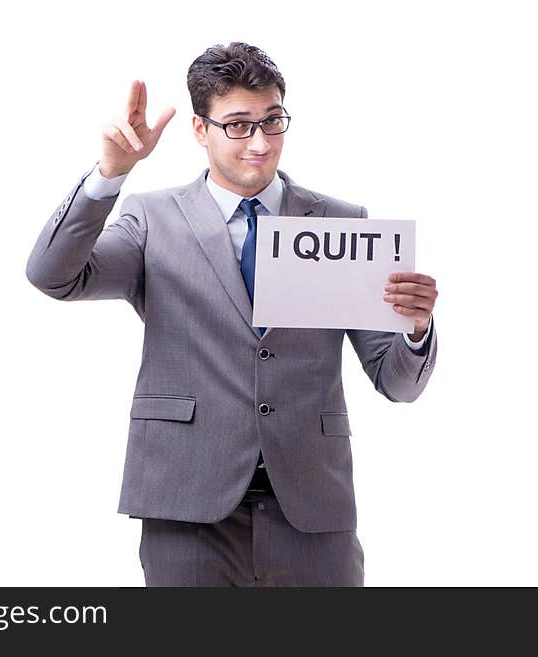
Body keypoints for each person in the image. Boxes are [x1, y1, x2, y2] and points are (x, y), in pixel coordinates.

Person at [26, 42, 438, 586]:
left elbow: (397, 384)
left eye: (273, 120)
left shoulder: (343, 225)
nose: (261, 142)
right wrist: (108, 176)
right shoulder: (152, 220)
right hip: (188, 505)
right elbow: (53, 275)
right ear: (200, 130)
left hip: (312, 510)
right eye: (239, 124)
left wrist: (415, 331)